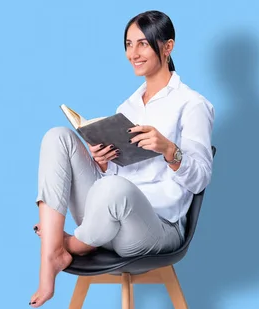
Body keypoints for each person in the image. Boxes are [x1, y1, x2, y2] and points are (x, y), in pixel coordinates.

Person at [28, 10, 215, 307]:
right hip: (108, 221)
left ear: (167, 46)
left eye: (142, 44)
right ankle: (57, 249)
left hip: (156, 229)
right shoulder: (127, 105)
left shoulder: (193, 105)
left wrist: (170, 150)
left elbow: (201, 178)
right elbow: (113, 182)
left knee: (113, 189)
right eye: (129, 44)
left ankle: (64, 246)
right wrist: (102, 162)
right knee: (57, 137)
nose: (133, 53)